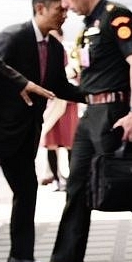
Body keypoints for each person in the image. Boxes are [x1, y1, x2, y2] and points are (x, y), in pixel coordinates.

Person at [23, 0, 132, 262]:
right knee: (76, 186)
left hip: (115, 111)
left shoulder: (117, 16)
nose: (63, 4)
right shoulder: (87, 26)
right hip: (90, 113)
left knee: (131, 184)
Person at [0, 0, 84, 262]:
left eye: (66, 11)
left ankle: (20, 256)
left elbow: (57, 86)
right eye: (60, 10)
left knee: (27, 188)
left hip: (24, 132)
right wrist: (20, 85)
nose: (64, 15)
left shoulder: (55, 47)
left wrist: (95, 93)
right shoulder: (13, 36)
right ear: (40, 8)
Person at [40, 30, 80, 192]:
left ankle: (72, 179)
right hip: (51, 104)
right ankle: (57, 179)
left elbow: (77, 73)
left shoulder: (70, 52)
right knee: (51, 143)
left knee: (70, 143)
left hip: (68, 104)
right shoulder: (44, 50)